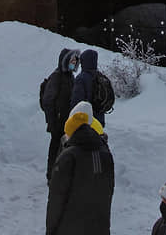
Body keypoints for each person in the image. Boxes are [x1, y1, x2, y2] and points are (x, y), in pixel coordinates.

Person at [46, 100, 114, 235]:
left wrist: (50, 230)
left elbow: (56, 200)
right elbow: (107, 195)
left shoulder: (68, 157)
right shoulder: (106, 154)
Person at [41, 49, 79, 182]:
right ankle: (51, 175)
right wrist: (53, 119)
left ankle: (60, 175)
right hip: (57, 121)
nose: (74, 63)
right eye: (72, 60)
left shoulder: (70, 77)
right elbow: (48, 100)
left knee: (64, 149)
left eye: (75, 61)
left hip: (67, 121)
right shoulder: (57, 77)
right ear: (65, 61)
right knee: (55, 148)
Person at [71, 49, 107, 127]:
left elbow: (76, 101)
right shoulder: (100, 76)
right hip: (99, 120)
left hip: (85, 121)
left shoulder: (81, 78)